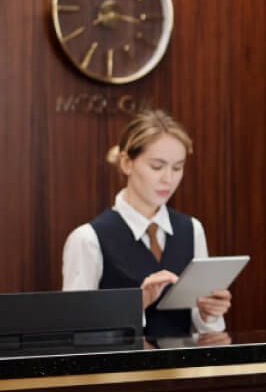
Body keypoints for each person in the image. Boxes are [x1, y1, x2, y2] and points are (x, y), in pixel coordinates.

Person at [63, 109, 231, 338]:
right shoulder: (87, 239)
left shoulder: (192, 229)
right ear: (127, 163)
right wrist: (134, 307)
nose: (168, 179)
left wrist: (208, 314)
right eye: (156, 166)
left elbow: (205, 331)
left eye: (177, 167)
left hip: (182, 361)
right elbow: (74, 331)